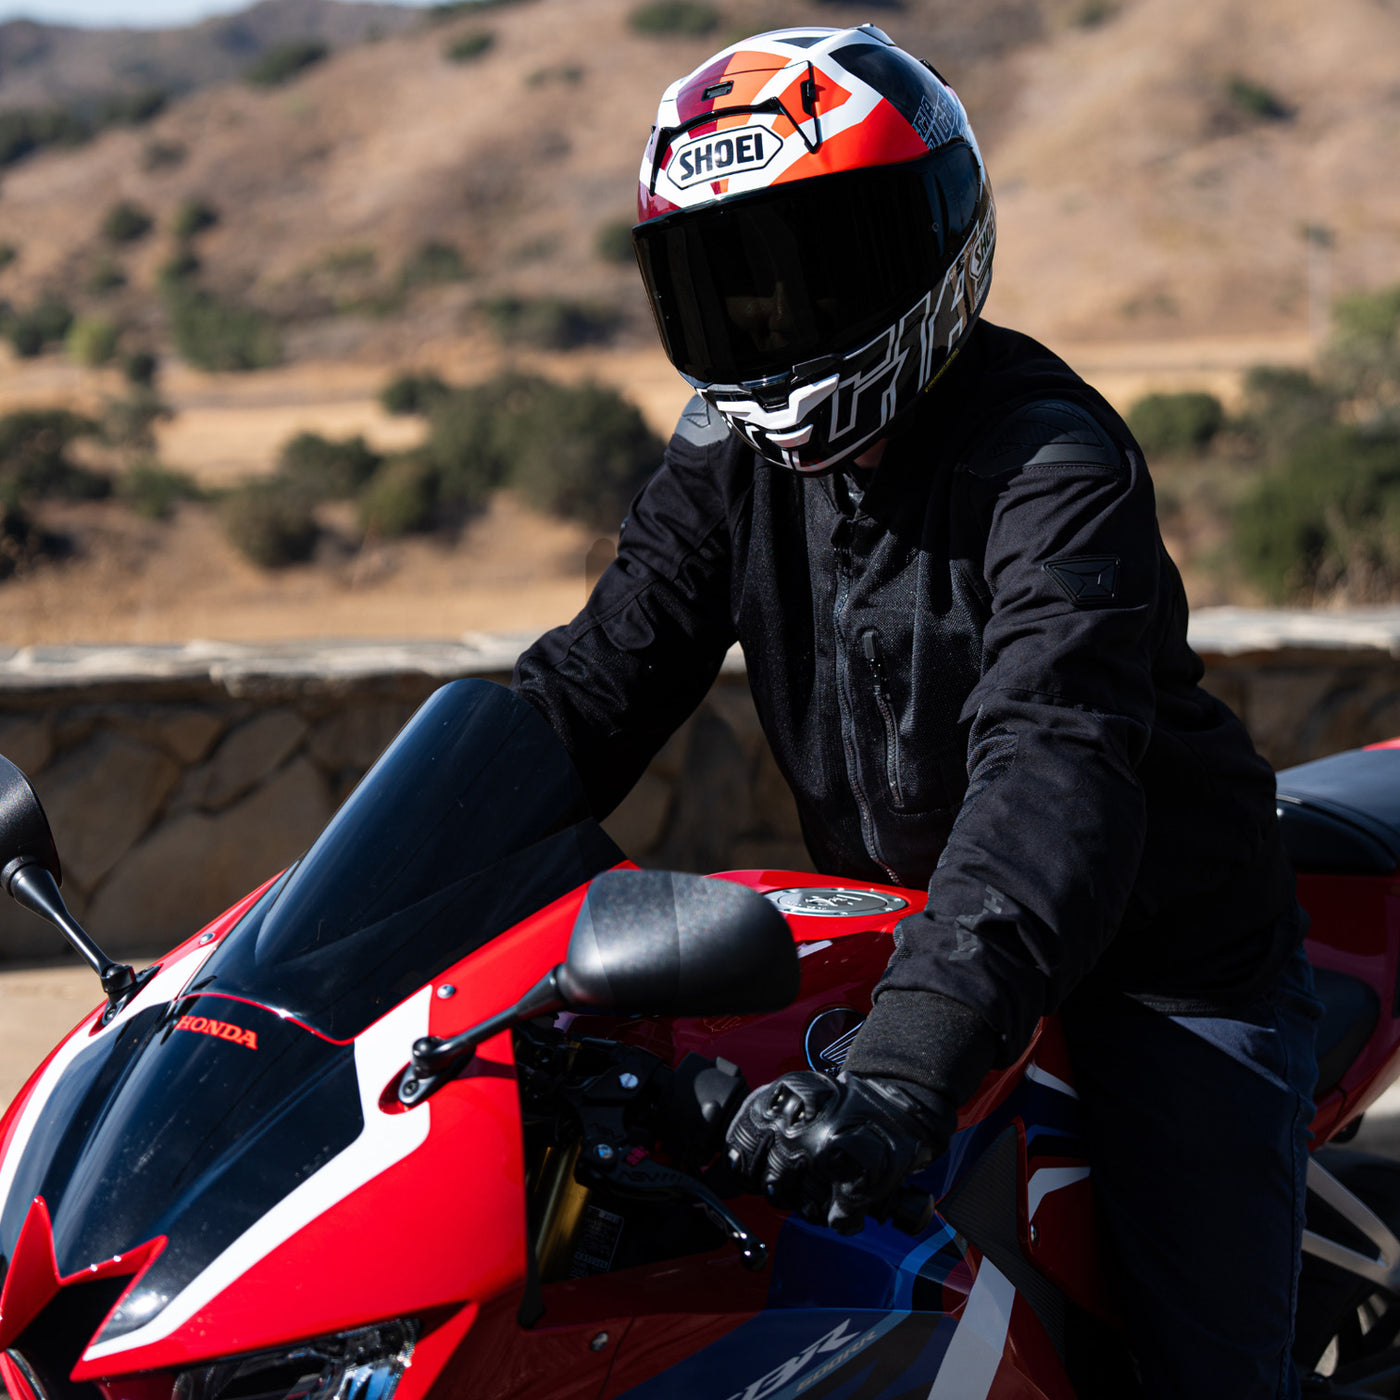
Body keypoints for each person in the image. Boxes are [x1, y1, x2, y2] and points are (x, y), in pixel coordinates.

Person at [512, 25, 1320, 1398]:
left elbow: (1047, 779)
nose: (774, 328)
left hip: (1157, 962)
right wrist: (333, 923)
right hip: (916, 934)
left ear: (931, 243)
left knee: (1206, 1376)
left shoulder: (1052, 462)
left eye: (814, 271)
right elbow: (592, 683)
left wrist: (900, 1076)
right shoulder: (729, 464)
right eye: (733, 290)